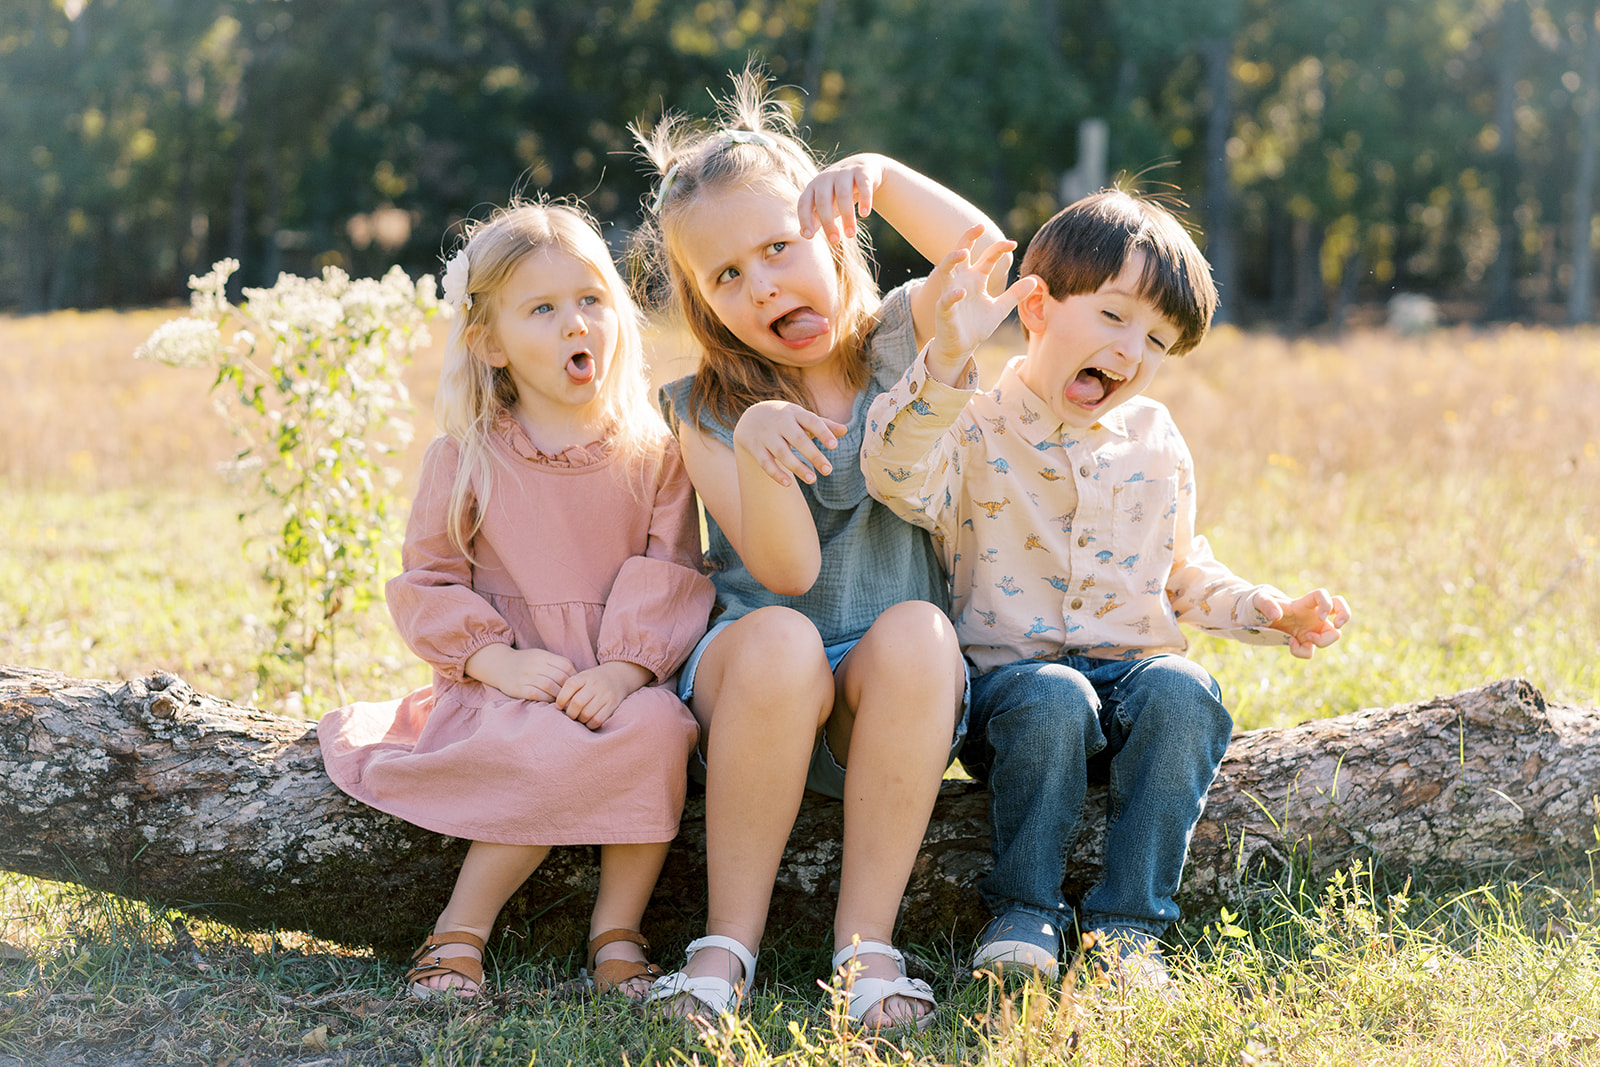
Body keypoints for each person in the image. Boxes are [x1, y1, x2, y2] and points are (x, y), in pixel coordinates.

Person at [861, 190, 1351, 992]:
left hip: (1129, 682)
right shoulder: (974, 420)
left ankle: (1129, 925)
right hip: (1013, 694)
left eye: (1156, 339)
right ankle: (1024, 909)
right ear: (1039, 306)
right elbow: (894, 469)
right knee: (1053, 695)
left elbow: (1179, 568)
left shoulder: (1155, 437)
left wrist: (1265, 609)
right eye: (1116, 318)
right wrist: (946, 360)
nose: (1132, 350)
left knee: (1187, 690)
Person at [630, 70, 1028, 1032]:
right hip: (757, 690)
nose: (761, 283)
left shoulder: (902, 340)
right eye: (726, 276)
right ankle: (725, 945)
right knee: (780, 641)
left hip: (884, 708)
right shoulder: (706, 409)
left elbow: (993, 265)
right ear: (703, 304)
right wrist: (762, 447)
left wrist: (884, 176)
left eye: (778, 246)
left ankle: (866, 945)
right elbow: (790, 575)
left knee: (924, 631)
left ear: (836, 230)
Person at [318, 201, 714, 1001]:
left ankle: (617, 931)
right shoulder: (467, 459)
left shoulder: (655, 455)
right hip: (503, 684)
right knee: (539, 744)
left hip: (610, 681)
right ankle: (456, 935)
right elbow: (427, 581)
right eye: (543, 309)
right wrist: (496, 660)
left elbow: (670, 568)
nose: (577, 324)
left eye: (591, 300)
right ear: (491, 343)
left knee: (659, 733)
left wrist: (627, 672)